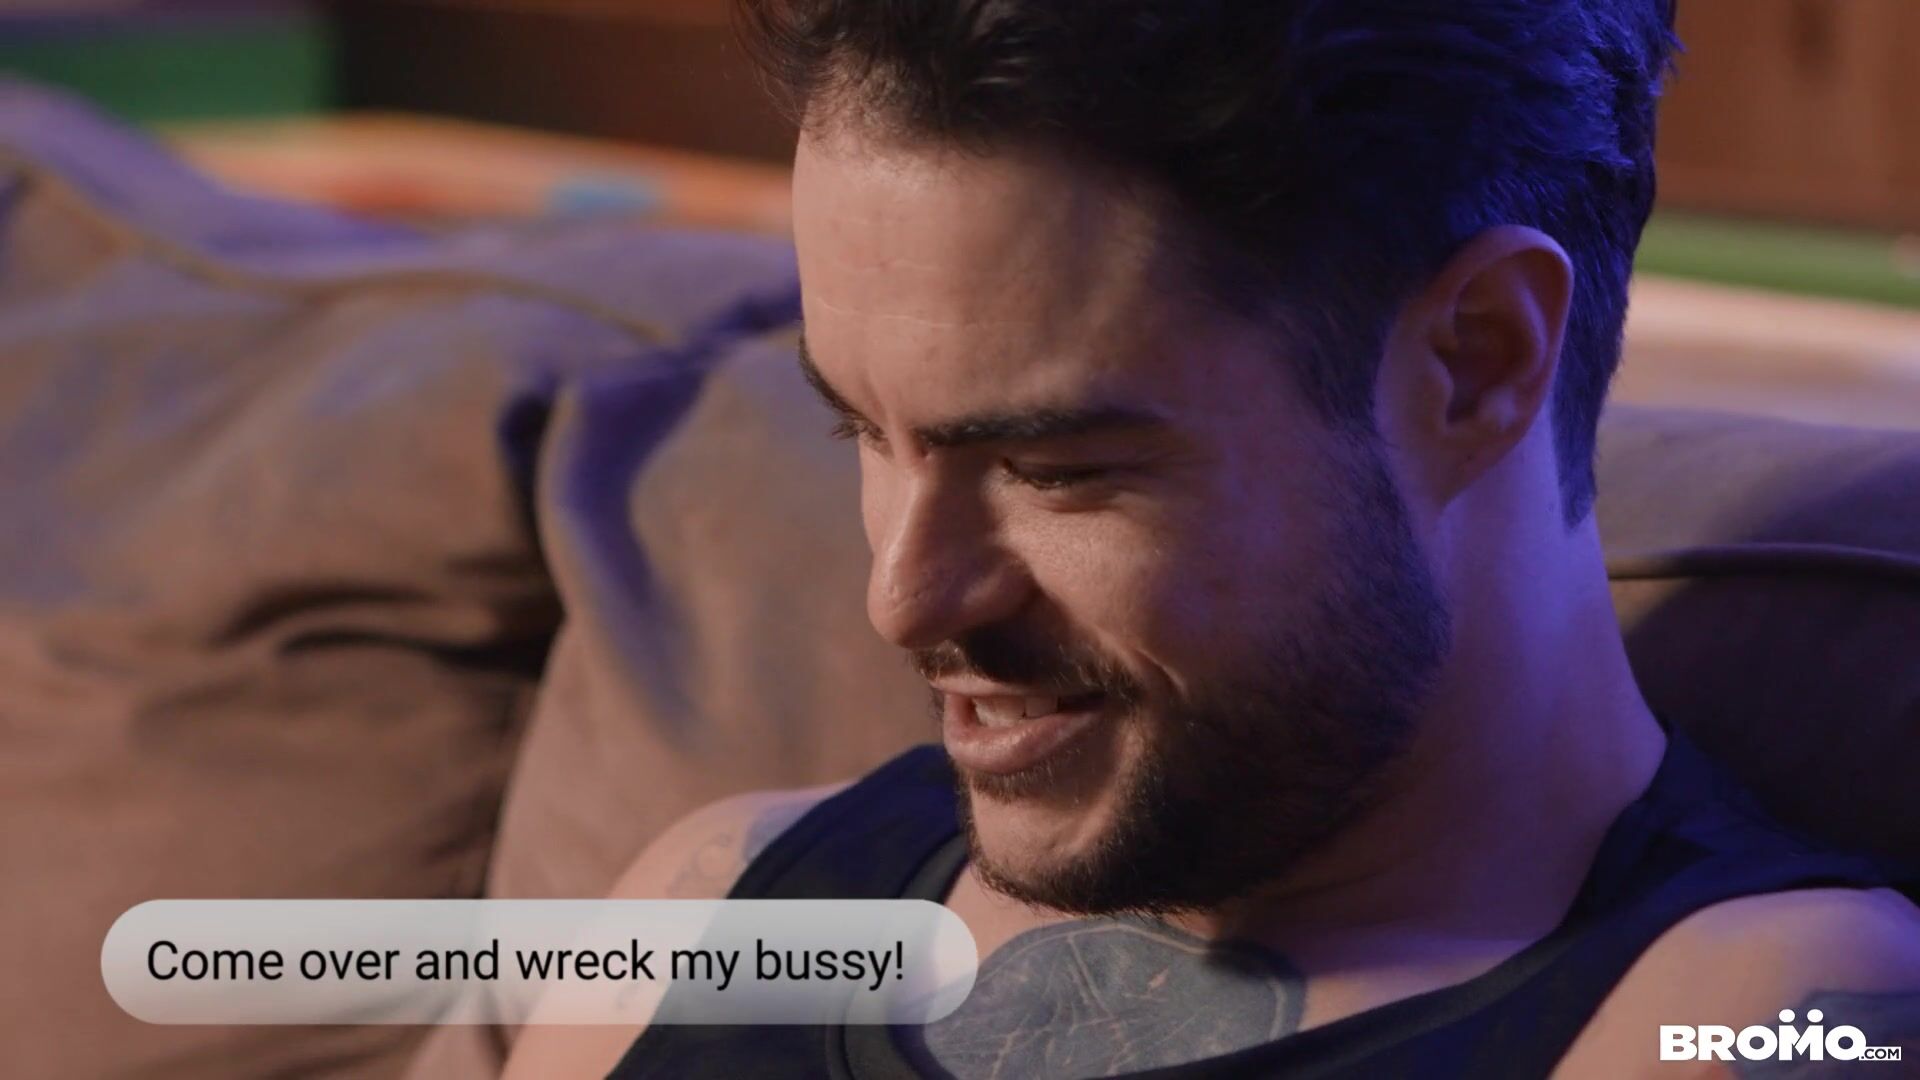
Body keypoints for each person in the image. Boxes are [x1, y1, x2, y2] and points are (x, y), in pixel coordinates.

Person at [504, 1, 1920, 1076]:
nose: (905, 595)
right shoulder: (712, 901)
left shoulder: (1770, 1014)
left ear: (1476, 360)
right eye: (865, 434)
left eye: (1055, 467)